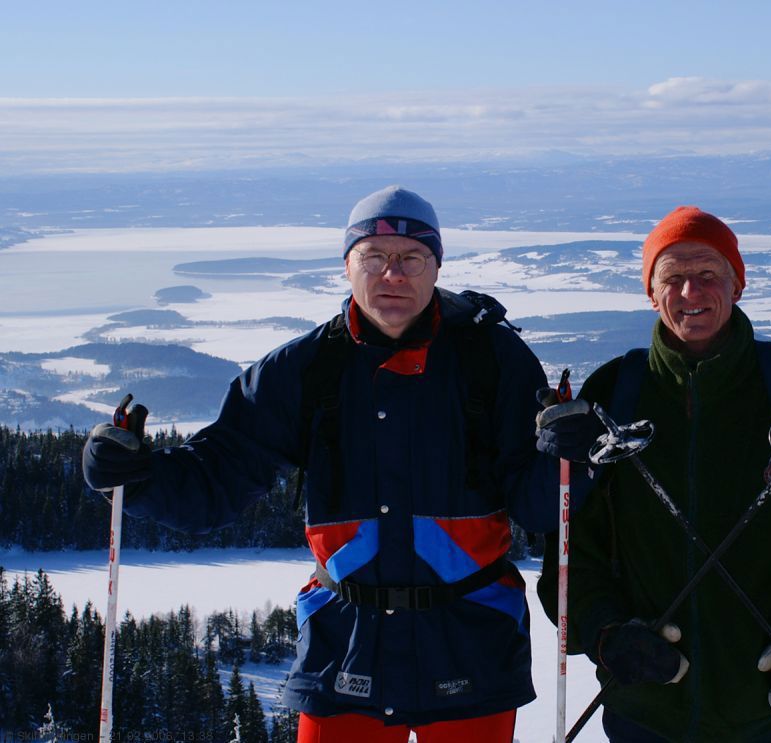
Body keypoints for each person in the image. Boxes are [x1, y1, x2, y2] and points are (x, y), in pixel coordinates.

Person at [83, 185, 558, 742]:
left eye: (411, 258)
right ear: (347, 266)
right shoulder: (304, 369)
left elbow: (541, 503)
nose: (393, 274)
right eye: (374, 257)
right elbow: (219, 477)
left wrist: (570, 457)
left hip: (470, 641)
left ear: (436, 267)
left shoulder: (493, 361)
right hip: (346, 644)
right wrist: (136, 477)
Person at [535, 206, 771, 742]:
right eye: (672, 278)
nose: (690, 293)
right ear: (651, 293)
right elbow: (572, 553)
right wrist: (608, 636)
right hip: (647, 709)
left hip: (770, 706)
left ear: (737, 282)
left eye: (708, 274)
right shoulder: (616, 393)